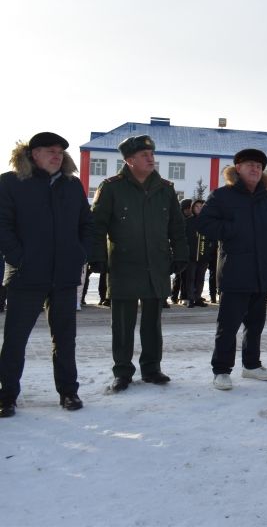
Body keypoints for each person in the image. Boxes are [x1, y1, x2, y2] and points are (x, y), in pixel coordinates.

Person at [0, 132, 92, 417]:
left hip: (64, 276)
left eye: (60, 151)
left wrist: (80, 254)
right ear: (33, 154)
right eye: (50, 150)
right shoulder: (11, 183)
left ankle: (68, 392)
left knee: (65, 339)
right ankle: (6, 397)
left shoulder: (72, 185)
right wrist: (20, 258)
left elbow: (86, 225)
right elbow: (3, 226)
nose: (57, 155)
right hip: (26, 276)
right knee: (16, 339)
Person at [90, 135, 188, 392]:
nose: (150, 158)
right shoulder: (111, 187)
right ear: (130, 160)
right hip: (124, 262)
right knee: (122, 323)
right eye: (144, 155)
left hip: (156, 262)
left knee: (153, 322)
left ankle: (152, 368)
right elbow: (96, 227)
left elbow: (177, 227)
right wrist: (98, 258)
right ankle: (122, 371)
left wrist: (181, 254)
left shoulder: (165, 188)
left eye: (151, 154)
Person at [197, 149, 267, 391]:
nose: (255, 169)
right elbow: (204, 223)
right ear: (238, 168)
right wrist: (234, 229)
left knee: (255, 324)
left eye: (259, 165)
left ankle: (252, 365)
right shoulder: (223, 196)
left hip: (262, 270)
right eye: (249, 165)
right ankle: (222, 370)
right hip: (236, 270)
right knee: (228, 325)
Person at [182, 199, 209, 308]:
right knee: (191, 277)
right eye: (197, 206)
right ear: (193, 208)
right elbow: (183, 237)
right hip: (191, 255)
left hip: (204, 255)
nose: (199, 209)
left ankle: (198, 297)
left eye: (201, 207)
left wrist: (209, 250)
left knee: (200, 277)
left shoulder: (208, 222)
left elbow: (212, 238)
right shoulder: (188, 221)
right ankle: (190, 298)